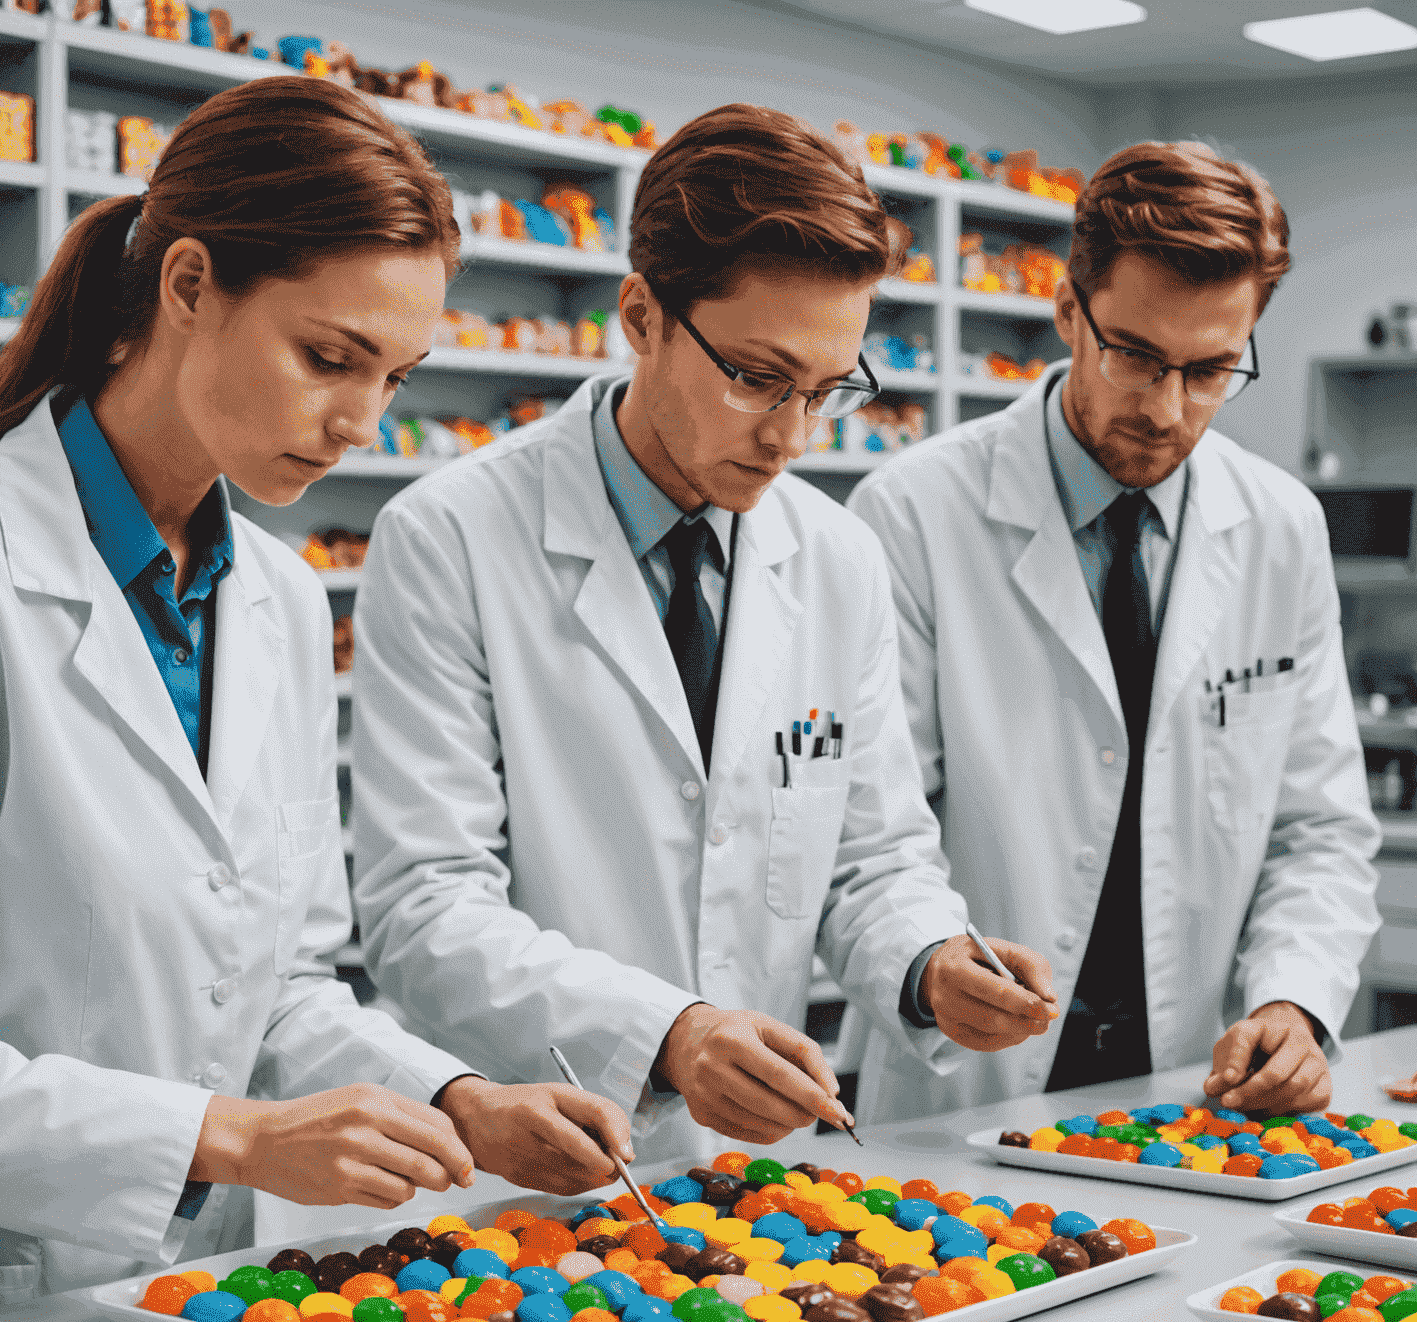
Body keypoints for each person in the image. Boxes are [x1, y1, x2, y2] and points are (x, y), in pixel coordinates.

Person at [0, 77, 631, 1322]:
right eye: (329, 357)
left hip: (209, 1289)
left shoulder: (277, 597)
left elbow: (276, 985)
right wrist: (230, 1136)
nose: (358, 423)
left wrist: (458, 1100)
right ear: (186, 286)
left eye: (395, 376)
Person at [350, 104, 1060, 1168]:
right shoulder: (450, 537)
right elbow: (424, 906)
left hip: (748, 1172)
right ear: (641, 316)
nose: (789, 435)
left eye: (825, 391)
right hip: (527, 1164)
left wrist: (928, 961)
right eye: (755, 377)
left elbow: (871, 857)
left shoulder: (836, 556)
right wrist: (667, 1034)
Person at [849, 141, 1380, 1121]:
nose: (1167, 408)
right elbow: (874, 829)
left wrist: (1293, 1000)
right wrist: (926, 955)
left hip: (1194, 1082)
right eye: (1134, 355)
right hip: (972, 1085)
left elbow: (1318, 828)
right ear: (1067, 311)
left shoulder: (1279, 525)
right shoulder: (913, 514)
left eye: (1213, 368)